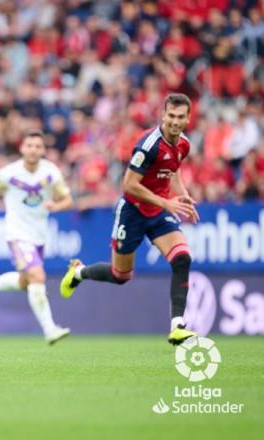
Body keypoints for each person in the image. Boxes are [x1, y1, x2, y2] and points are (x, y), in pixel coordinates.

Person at [59, 93, 200, 345]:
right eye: (171, 116)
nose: (175, 122)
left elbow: (172, 172)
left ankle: (177, 325)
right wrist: (167, 202)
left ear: (188, 118)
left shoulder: (184, 145)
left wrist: (184, 195)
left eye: (180, 117)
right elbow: (129, 185)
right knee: (120, 275)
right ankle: (78, 272)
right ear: (163, 115)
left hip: (158, 213)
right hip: (132, 213)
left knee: (182, 258)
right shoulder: (148, 145)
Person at [0, 131, 72, 344]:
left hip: (40, 236)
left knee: (26, 281)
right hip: (17, 233)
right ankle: (50, 329)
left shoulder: (51, 172)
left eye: (38, 146)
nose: (34, 149)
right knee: (37, 276)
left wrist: (57, 205)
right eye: (30, 145)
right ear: (22, 148)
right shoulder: (9, 173)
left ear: (43, 150)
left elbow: (67, 200)